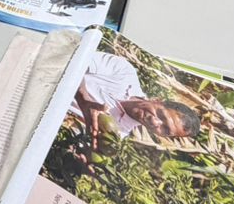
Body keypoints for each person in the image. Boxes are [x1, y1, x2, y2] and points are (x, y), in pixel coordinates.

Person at [69, 50, 201, 167]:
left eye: (165, 130)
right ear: (158, 100)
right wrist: (83, 98)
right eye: (161, 115)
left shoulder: (116, 134)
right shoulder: (125, 72)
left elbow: (71, 135)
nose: (155, 123)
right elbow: (75, 57)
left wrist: (77, 156)